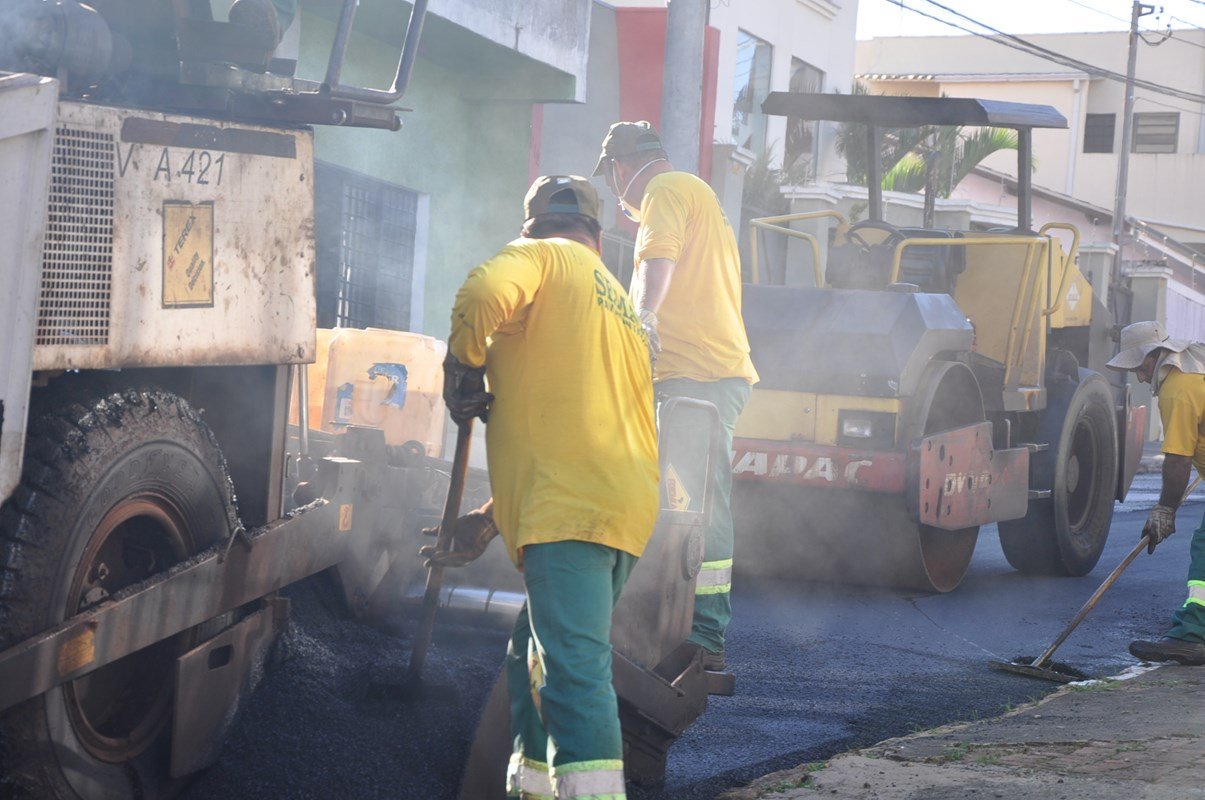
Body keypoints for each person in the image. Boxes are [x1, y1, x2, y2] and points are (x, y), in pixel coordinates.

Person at [430, 175, 659, 799]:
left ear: (531, 224)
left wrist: (463, 364)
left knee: (573, 676)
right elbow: (575, 428)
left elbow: (482, 291)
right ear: (598, 233)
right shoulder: (617, 303)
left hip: (573, 515)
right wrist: (490, 515)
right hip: (617, 508)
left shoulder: (540, 258)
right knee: (531, 663)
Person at [592, 120, 757, 671]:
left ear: (622, 168)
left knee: (695, 498)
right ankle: (665, 615)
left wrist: (644, 315)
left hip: (699, 374)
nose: (618, 191)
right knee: (675, 495)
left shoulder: (664, 191)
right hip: (697, 371)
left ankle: (704, 635)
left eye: (613, 176)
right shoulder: (694, 192)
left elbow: (656, 261)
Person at [1105, 321, 1205, 665]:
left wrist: (1165, 509)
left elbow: (1177, 458)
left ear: (1155, 355)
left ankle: (1192, 636)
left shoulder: (1179, 387)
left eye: (1140, 367)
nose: (1141, 377)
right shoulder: (1196, 362)